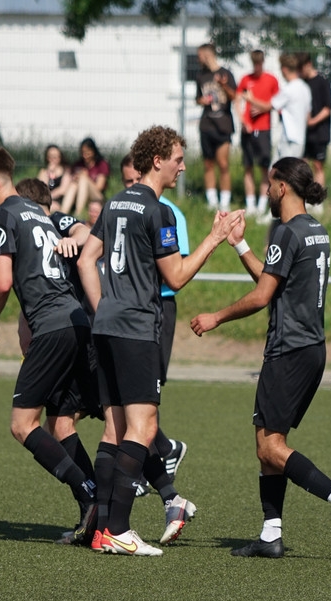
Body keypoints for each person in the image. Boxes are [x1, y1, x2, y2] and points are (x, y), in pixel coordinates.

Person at [191, 157, 331, 559]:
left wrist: (216, 317)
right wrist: (240, 245)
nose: (267, 191)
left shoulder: (287, 232)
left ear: (283, 186)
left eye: (270, 184)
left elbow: (262, 296)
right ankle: (270, 535)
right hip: (311, 349)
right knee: (268, 443)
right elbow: (272, 281)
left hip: (289, 349)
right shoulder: (315, 230)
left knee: (270, 448)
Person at [78, 125, 243, 556]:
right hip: (135, 329)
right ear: (157, 161)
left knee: (114, 429)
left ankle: (102, 530)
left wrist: (103, 308)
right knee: (144, 426)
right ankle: (118, 529)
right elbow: (177, 277)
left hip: (106, 326)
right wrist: (215, 238)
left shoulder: (115, 202)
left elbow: (86, 260)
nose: (183, 167)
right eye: (178, 159)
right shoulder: (159, 211)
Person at [0, 147, 100, 545]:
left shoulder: (2, 215)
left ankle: (90, 492)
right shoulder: (37, 211)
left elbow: (2, 282)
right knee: (60, 424)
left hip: (52, 328)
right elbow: (80, 232)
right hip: (77, 321)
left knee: (21, 425)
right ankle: (94, 512)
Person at [118, 154, 190, 495]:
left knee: (147, 390)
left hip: (157, 305)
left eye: (135, 180)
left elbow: (176, 269)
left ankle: (146, 468)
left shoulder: (169, 213)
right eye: (126, 181)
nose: (131, 186)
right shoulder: (121, 207)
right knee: (126, 396)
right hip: (126, 310)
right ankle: (163, 450)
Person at [236, 50, 279, 219]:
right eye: (255, 64)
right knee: (248, 167)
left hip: (263, 129)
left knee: (264, 168)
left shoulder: (271, 79)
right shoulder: (246, 79)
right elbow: (237, 101)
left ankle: (262, 203)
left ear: (263, 62)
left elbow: (274, 104)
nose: (257, 67)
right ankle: (250, 204)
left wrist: (257, 105)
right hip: (247, 130)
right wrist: (243, 121)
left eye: (259, 63)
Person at [196, 44, 237, 212]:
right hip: (206, 125)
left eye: (199, 55)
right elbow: (198, 98)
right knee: (208, 164)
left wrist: (223, 85)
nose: (198, 59)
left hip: (223, 126)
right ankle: (211, 201)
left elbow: (234, 96)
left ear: (207, 55)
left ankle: (225, 202)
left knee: (223, 164)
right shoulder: (201, 75)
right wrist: (201, 101)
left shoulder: (226, 73)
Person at [300, 52, 331, 190]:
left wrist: (312, 121)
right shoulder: (301, 84)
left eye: (301, 69)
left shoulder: (322, 82)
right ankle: (305, 196)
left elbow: (327, 108)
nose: (300, 72)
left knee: (318, 166)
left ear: (308, 64)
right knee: (303, 166)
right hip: (304, 133)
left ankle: (318, 198)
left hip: (320, 132)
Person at [60, 138, 109, 219]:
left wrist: (86, 177)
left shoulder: (101, 164)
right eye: (83, 153)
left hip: (97, 196)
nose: (85, 156)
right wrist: (75, 178)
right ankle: (62, 213)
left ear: (93, 151)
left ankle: (78, 213)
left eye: (87, 153)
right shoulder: (78, 164)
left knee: (83, 178)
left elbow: (99, 187)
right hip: (78, 194)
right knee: (73, 184)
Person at [37, 145, 72, 213]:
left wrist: (49, 197)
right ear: (47, 158)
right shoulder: (43, 172)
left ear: (60, 157)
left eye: (55, 157)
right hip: (45, 199)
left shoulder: (65, 172)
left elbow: (62, 190)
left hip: (59, 200)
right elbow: (41, 188)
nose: (53, 159)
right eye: (51, 157)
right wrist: (48, 172)